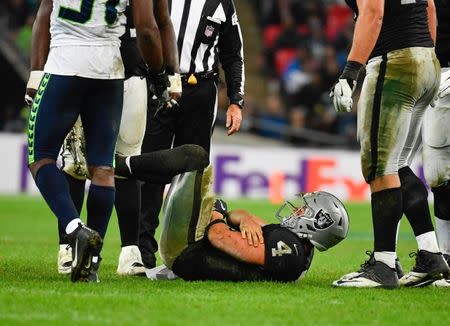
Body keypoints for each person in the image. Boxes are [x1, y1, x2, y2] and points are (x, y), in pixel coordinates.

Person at [25, 0, 166, 282]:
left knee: (40, 156)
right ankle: (93, 262)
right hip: (110, 70)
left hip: (65, 64)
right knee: (103, 169)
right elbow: (147, 28)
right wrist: (160, 74)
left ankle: (75, 229)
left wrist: (35, 72)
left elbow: (44, 13)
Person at [330, 0, 449, 288]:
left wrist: (350, 72)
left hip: (393, 61)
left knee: (379, 166)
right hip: (427, 59)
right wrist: (427, 60)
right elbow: (429, 7)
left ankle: (383, 265)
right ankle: (431, 254)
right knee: (398, 165)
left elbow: (374, 11)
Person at [139, 0, 246, 269]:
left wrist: (236, 100)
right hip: (159, 85)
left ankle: (183, 252)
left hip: (200, 90)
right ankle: (142, 251)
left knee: (192, 175)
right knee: (151, 168)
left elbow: (233, 53)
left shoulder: (221, 3)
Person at [147, 163, 349, 282]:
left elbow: (219, 236)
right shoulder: (297, 246)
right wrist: (243, 219)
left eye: (305, 210)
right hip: (192, 257)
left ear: (318, 223)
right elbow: (240, 215)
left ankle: (123, 166)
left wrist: (217, 212)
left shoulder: (289, 247)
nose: (297, 210)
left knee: (195, 158)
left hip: (187, 256)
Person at [402, 0, 450, 288]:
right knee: (437, 175)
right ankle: (443, 257)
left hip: (442, 74)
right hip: (432, 74)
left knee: (439, 173)